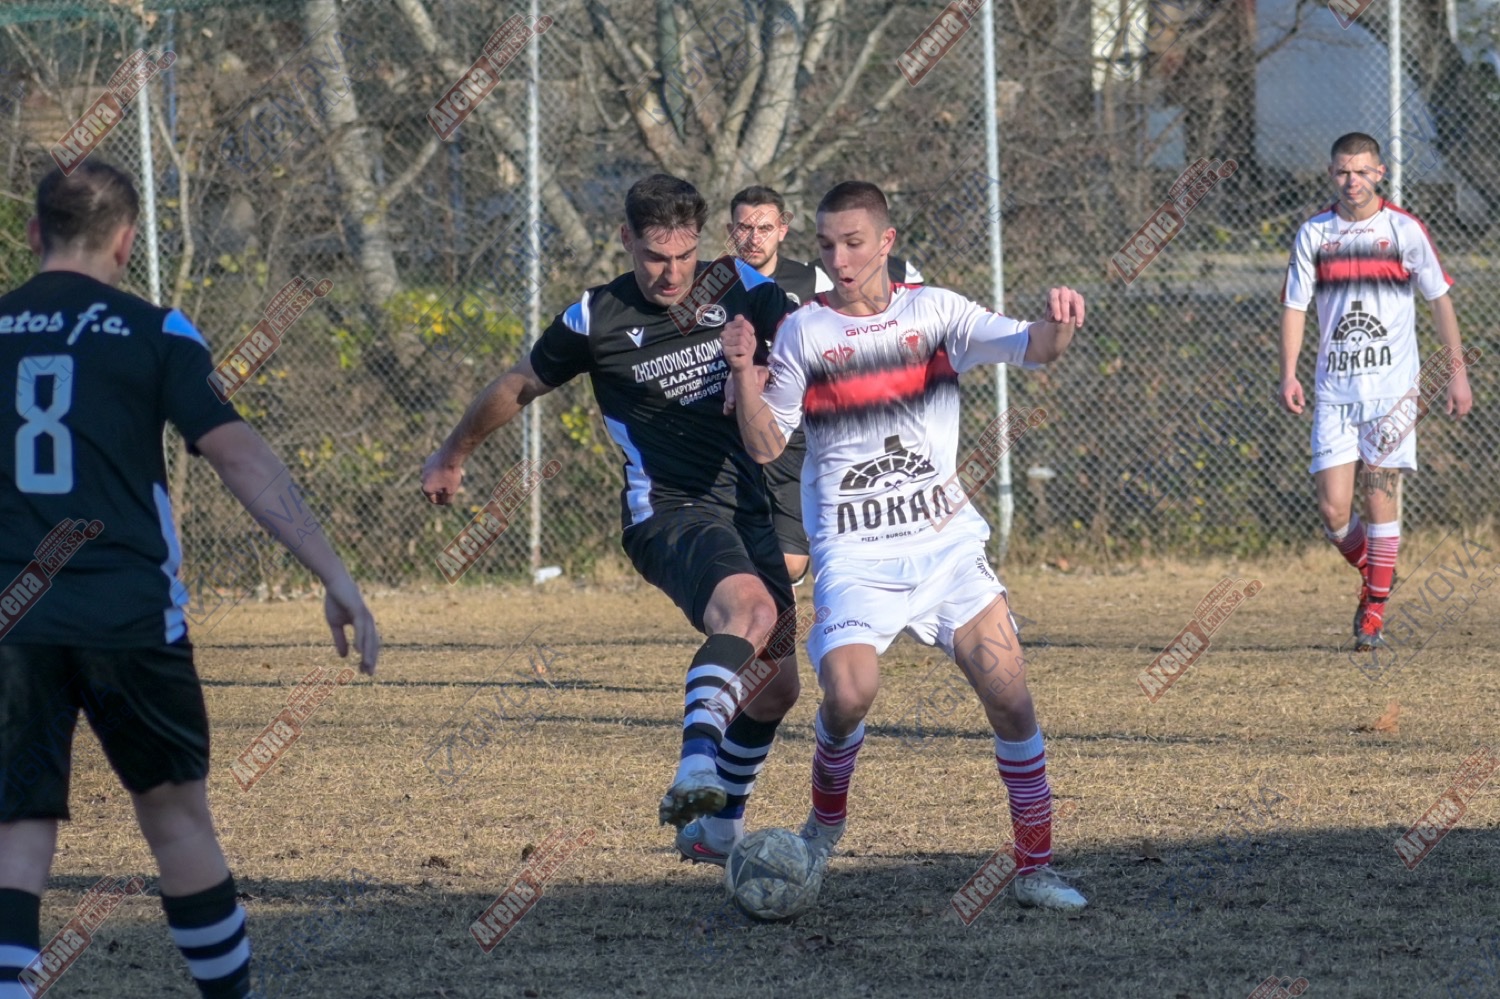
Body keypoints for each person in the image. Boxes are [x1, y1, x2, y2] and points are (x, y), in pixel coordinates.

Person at [0, 162, 380, 999]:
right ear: (125, 241)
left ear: (33, 234)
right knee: (175, 821)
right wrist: (333, 572)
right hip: (128, 612)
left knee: (15, 827)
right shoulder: (156, 329)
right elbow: (238, 455)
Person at [723, 180, 1088, 911]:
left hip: (947, 551)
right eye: (827, 245)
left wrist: (1061, 323)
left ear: (886, 241)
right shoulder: (803, 331)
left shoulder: (937, 312)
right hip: (855, 556)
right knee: (849, 694)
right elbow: (766, 446)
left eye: (853, 243)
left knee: (1011, 698)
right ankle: (824, 825)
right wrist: (742, 375)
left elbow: (1036, 347)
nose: (838, 259)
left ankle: (1036, 867)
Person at [421, 174, 800, 866]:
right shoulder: (595, 316)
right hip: (668, 511)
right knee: (749, 611)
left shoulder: (743, 286)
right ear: (626, 239)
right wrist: (453, 453)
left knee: (775, 688)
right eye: (656, 256)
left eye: (684, 255)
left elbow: (806, 349)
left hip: (750, 507)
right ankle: (694, 766)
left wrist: (765, 373)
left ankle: (717, 831)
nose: (672, 273)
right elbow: (518, 385)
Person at [1278, 132, 1471, 649]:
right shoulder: (1315, 233)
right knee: (1334, 512)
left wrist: (1457, 373)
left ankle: (1375, 612)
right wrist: (1289, 372)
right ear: (1331, 174)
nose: (1352, 181)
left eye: (1362, 171)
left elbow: (1440, 300)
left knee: (1380, 492)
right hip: (1335, 392)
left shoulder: (1404, 230)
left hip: (1392, 393)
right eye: (1343, 171)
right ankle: (1377, 573)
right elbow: (1295, 307)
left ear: (1379, 173)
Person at [725, 184, 925, 585]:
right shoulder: (717, 286)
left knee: (791, 562)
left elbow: (900, 284)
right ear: (730, 231)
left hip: (802, 432)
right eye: (743, 229)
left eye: (764, 228)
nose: (753, 239)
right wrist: (736, 376)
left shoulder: (815, 278)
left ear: (783, 229)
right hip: (735, 429)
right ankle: (745, 605)